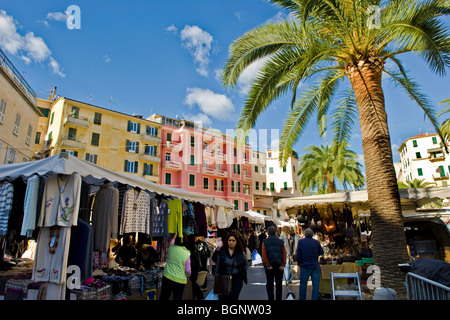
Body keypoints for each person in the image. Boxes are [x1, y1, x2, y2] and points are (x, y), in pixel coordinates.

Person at [214, 231, 248, 300]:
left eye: (233, 240)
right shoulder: (222, 252)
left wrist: (242, 272)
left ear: (236, 242)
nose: (231, 242)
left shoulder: (240, 253)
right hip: (224, 278)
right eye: (230, 240)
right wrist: (216, 277)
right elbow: (218, 265)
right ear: (227, 241)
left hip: (237, 279)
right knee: (224, 298)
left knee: (234, 297)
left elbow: (246, 264)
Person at [159, 233, 191, 300]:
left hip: (167, 276)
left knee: (164, 297)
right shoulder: (187, 254)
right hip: (180, 280)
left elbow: (171, 242)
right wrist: (188, 275)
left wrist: (176, 234)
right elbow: (188, 270)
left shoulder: (171, 248)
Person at [296, 228, 324, 300]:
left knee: (303, 284)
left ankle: (302, 298)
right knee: (315, 285)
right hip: (314, 265)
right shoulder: (316, 242)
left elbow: (298, 254)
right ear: (312, 234)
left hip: (305, 265)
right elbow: (322, 252)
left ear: (305, 234)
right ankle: (314, 298)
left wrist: (299, 263)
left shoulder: (301, 242)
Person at [262, 226, 286, 300]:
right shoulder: (280, 242)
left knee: (270, 284)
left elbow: (264, 254)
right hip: (279, 265)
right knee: (279, 285)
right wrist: (283, 265)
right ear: (276, 232)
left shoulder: (265, 242)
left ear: (268, 232)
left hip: (270, 266)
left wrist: (267, 264)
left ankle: (271, 298)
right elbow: (284, 253)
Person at [186, 234, 204, 300]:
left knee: (192, 282)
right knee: (193, 282)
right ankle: (198, 296)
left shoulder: (189, 246)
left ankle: (199, 295)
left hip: (192, 266)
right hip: (195, 266)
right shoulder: (194, 245)